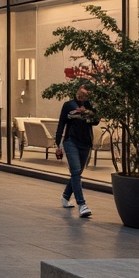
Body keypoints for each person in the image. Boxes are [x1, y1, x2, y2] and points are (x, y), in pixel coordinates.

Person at [54, 84, 98, 218]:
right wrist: (57, 144)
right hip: (70, 141)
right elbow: (61, 123)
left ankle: (66, 196)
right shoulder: (69, 105)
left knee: (77, 173)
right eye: (82, 93)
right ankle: (82, 205)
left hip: (85, 143)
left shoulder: (90, 106)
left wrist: (86, 113)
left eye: (86, 94)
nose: (83, 96)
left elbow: (95, 121)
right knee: (76, 172)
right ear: (77, 93)